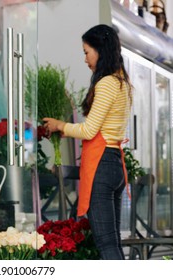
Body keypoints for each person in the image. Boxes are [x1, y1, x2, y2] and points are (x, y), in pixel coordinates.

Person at [43, 24, 132, 260]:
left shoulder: (106, 83)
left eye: (86, 52)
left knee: (106, 244)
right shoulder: (123, 83)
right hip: (115, 164)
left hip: (101, 165)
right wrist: (67, 130)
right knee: (114, 243)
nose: (85, 59)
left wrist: (59, 125)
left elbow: (90, 130)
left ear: (100, 51)